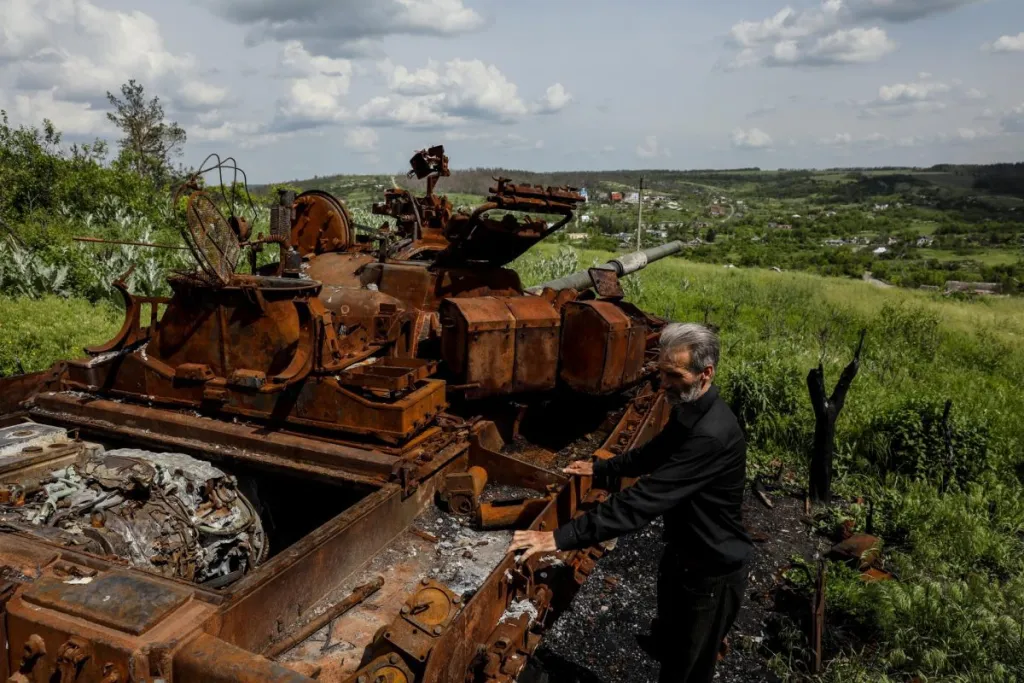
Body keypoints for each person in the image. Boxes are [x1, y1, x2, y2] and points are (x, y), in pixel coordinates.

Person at [509, 322, 752, 683]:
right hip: (684, 553)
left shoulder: (712, 435)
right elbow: (654, 454)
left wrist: (557, 538)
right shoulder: (690, 407)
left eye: (674, 374)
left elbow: (643, 501)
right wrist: (601, 468)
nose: (664, 383)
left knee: (686, 671)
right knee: (671, 643)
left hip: (711, 569)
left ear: (706, 374)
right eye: (661, 372)